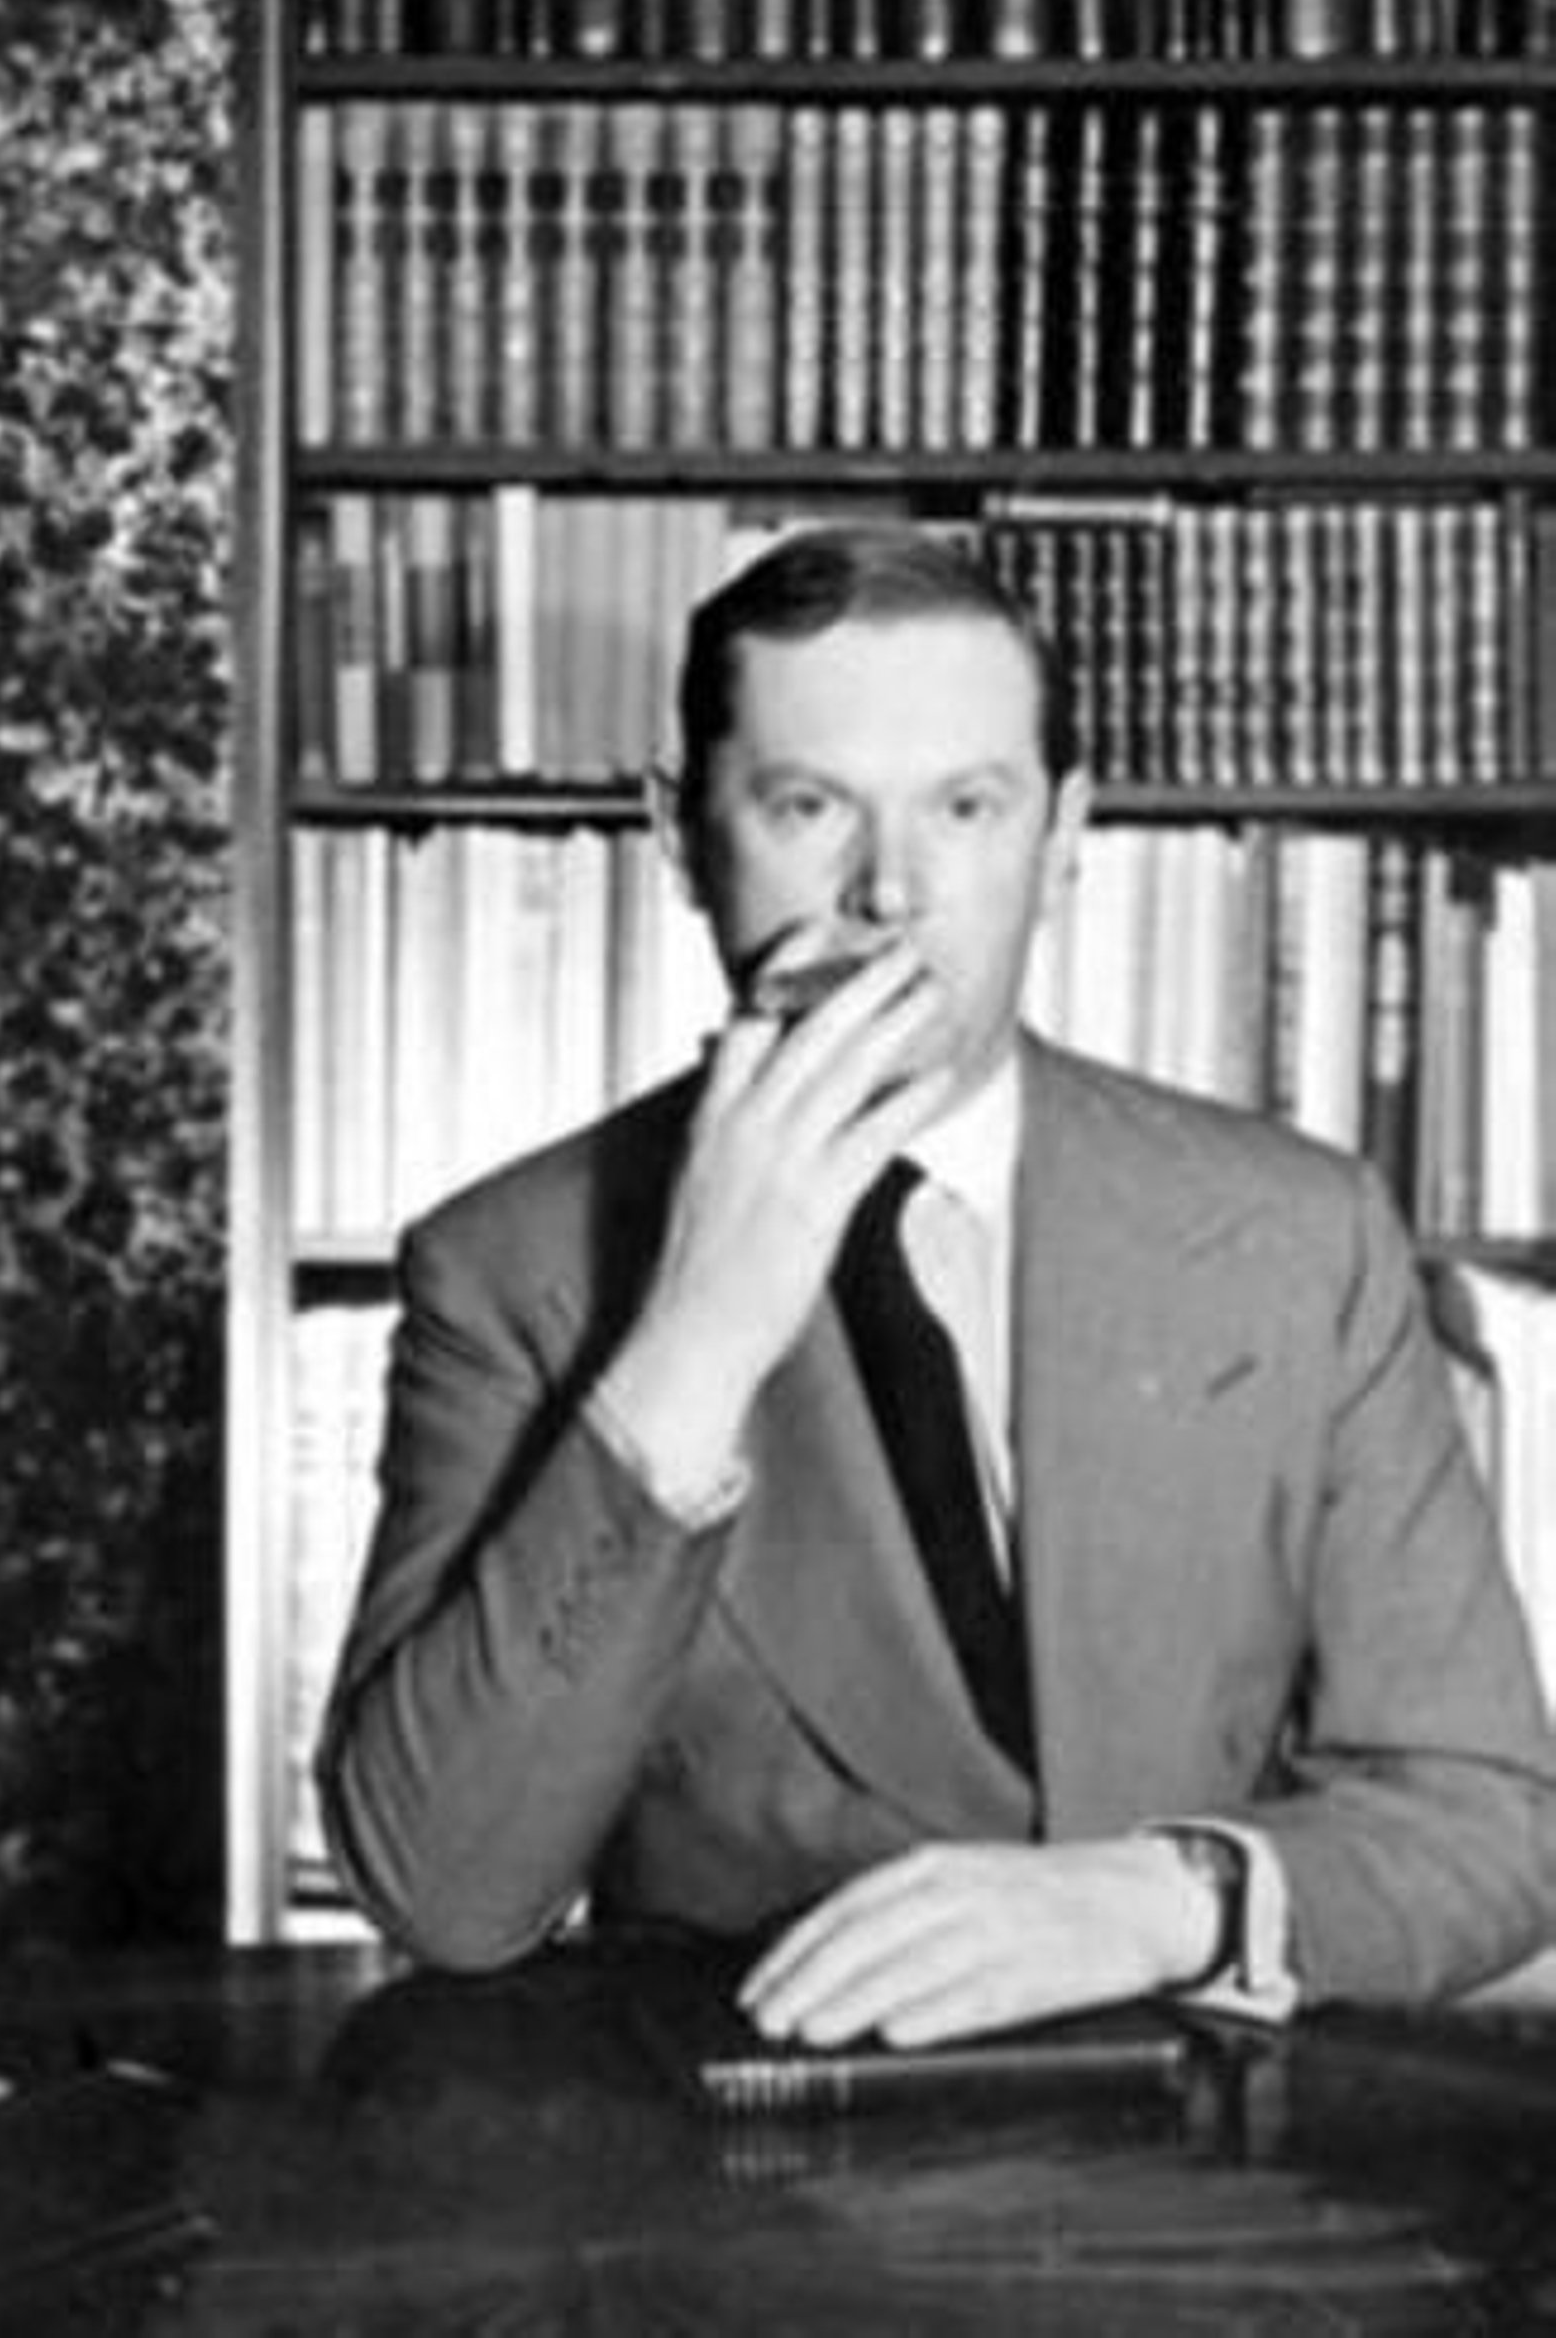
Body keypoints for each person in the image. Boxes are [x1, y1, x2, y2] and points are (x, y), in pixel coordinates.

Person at [319, 522, 1556, 2043]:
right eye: (807, 806)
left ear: (1064, 833)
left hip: (1211, 2158)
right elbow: (440, 1888)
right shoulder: (512, 1266)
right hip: (756, 2149)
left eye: (966, 807)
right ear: (681, 834)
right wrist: (693, 1342)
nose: (890, 894)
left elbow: (1492, 1820)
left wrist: (1162, 1898)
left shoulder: (1302, 1235)